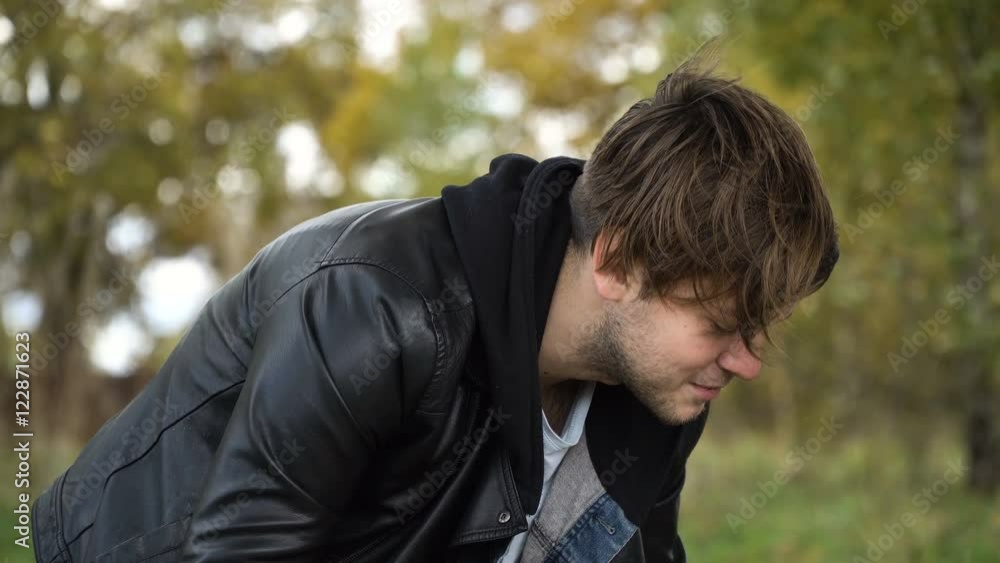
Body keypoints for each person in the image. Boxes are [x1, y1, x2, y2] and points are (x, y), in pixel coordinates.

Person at [31, 46, 839, 563]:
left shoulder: (662, 388)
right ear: (617, 260)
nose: (747, 361)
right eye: (722, 323)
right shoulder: (377, 305)